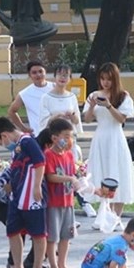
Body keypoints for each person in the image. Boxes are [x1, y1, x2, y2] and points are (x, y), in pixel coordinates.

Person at [0, 116, 48, 268]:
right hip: (17, 196)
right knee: (13, 230)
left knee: (37, 233)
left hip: (31, 195)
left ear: (4, 135)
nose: (4, 146)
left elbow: (40, 162)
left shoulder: (28, 142)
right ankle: (17, 267)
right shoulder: (18, 148)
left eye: (1, 143)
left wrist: (37, 186)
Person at [82, 62, 134, 227]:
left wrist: (108, 105)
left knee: (117, 173)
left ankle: (115, 217)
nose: (105, 82)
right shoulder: (94, 94)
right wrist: (92, 106)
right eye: (102, 79)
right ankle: (103, 216)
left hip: (116, 138)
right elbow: (87, 119)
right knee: (101, 173)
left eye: (109, 79)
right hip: (100, 138)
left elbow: (121, 119)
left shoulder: (123, 96)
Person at [38, 63, 94, 217]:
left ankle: (83, 203)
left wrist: (73, 117)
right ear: (54, 77)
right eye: (60, 74)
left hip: (68, 141)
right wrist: (57, 117)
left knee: (72, 171)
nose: (63, 78)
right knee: (56, 172)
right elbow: (43, 122)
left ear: (70, 78)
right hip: (54, 142)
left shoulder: (71, 97)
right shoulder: (46, 97)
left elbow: (77, 122)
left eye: (66, 75)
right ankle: (54, 207)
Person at [43, 118, 79, 268]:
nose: (68, 140)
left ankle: (62, 264)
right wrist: (69, 179)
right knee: (53, 237)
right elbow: (50, 176)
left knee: (66, 236)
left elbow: (73, 174)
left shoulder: (70, 155)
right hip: (54, 202)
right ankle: (54, 266)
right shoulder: (49, 155)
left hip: (68, 201)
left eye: (70, 136)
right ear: (54, 138)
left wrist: (79, 182)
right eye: (65, 136)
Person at [8, 60, 53, 137]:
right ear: (29, 75)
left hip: (57, 133)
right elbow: (12, 111)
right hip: (38, 135)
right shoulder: (25, 94)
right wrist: (23, 128)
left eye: (40, 71)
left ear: (45, 72)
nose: (38, 75)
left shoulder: (55, 88)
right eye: (34, 73)